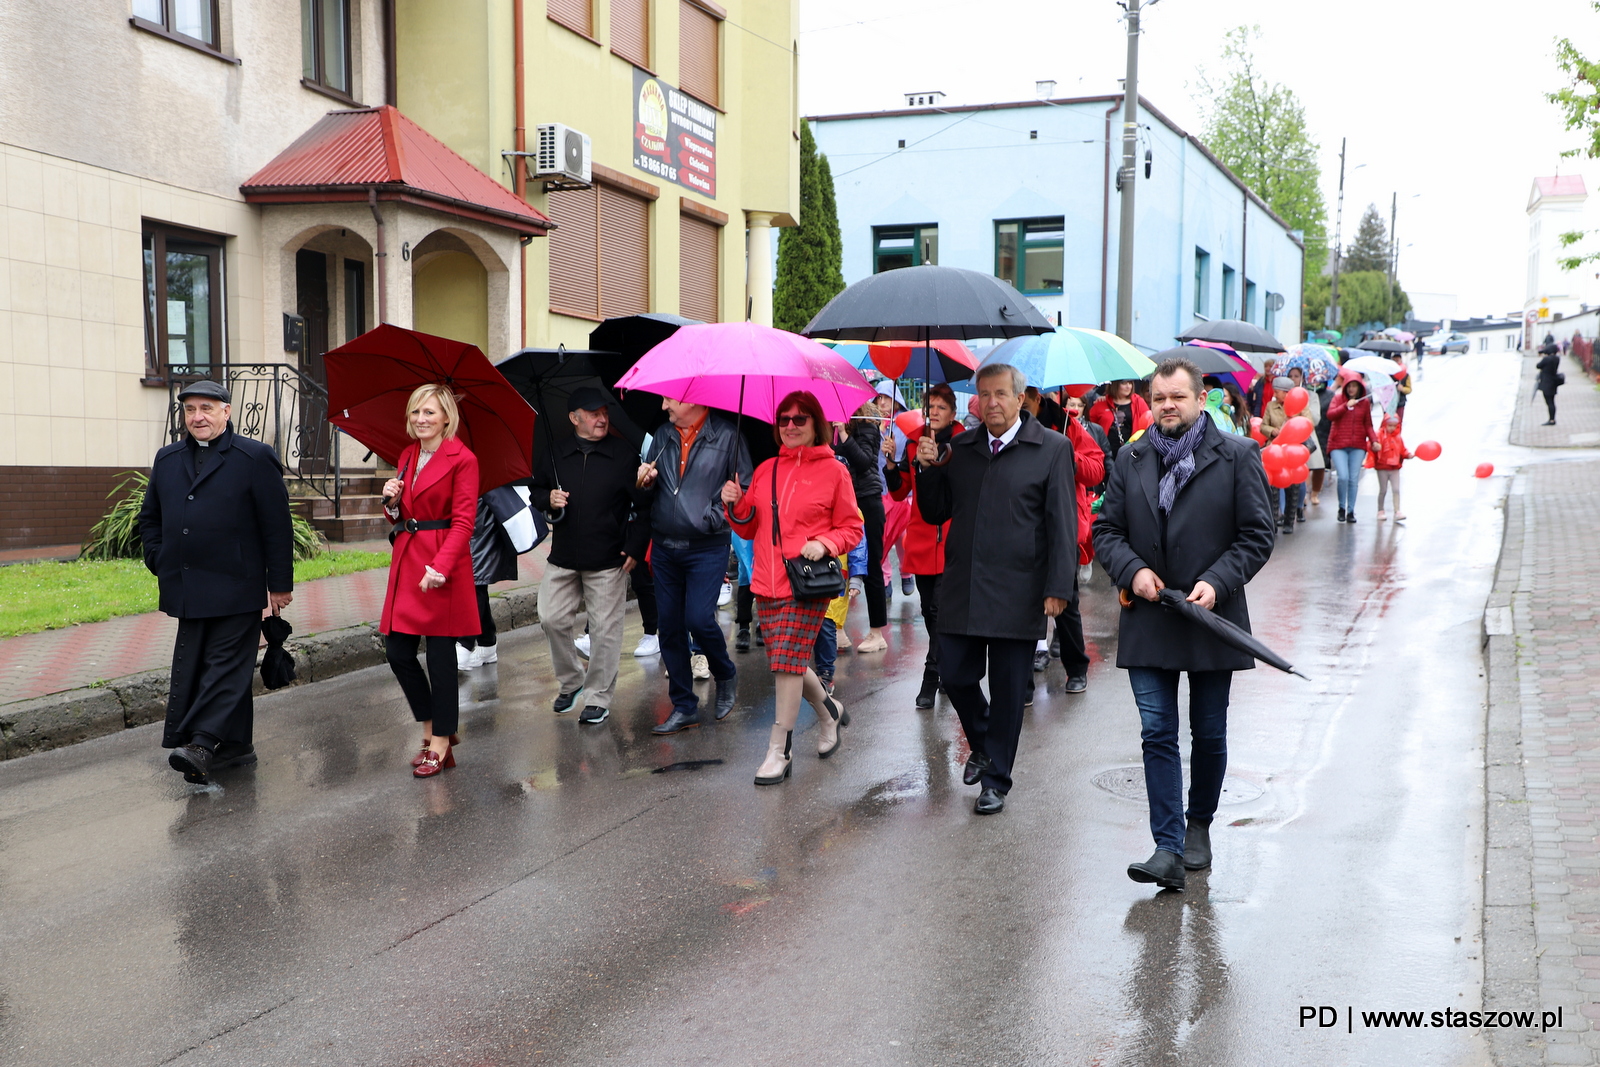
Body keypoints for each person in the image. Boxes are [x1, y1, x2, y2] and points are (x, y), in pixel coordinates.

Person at [1092, 356, 1275, 891]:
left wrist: (1217, 582)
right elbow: (1107, 531)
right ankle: (1167, 847)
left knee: (1209, 730)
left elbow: (1257, 536)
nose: (1166, 406)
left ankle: (1199, 826)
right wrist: (1134, 571)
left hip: (1210, 617)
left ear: (1199, 399)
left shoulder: (1238, 454)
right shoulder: (1132, 457)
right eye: (1158, 398)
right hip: (1150, 615)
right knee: (1156, 731)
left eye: (1176, 397)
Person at [914, 364, 1077, 815]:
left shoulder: (1051, 448)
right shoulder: (960, 448)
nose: (992, 403)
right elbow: (935, 512)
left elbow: (1062, 524)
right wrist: (926, 469)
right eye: (984, 395)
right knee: (957, 674)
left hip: (1020, 588)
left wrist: (1058, 587)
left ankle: (996, 780)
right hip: (964, 584)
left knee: (1008, 690)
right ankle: (984, 743)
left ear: (1020, 398)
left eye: (1001, 394)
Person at [139, 380, 294, 784]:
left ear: (227, 411)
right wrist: (158, 557)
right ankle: (238, 746)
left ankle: (202, 744)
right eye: (190, 410)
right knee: (198, 662)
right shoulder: (168, 458)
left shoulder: (254, 457)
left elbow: (277, 526)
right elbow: (149, 517)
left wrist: (279, 584)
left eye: (207, 408)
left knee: (224, 666)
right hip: (187, 587)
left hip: (237, 585)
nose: (198, 417)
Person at [723, 391, 861, 784]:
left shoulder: (835, 470)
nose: (791, 425)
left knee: (785, 662)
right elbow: (749, 527)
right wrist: (735, 504)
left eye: (800, 419)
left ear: (817, 424)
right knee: (790, 660)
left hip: (806, 582)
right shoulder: (766, 469)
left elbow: (852, 527)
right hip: (766, 582)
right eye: (784, 419)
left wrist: (826, 543)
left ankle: (778, 749)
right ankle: (828, 710)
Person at [529, 387, 650, 725]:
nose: (602, 418)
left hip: (609, 558)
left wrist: (635, 547)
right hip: (563, 556)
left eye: (605, 413)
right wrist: (547, 498)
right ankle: (572, 681)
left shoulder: (623, 455)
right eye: (594, 413)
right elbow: (536, 491)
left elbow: (644, 506)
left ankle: (597, 697)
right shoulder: (556, 453)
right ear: (574, 418)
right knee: (551, 618)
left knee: (604, 630)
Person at [379, 384, 479, 778]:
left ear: (446, 418)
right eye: (416, 412)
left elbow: (463, 521)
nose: (421, 419)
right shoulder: (407, 454)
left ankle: (439, 742)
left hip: (442, 564)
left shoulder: (463, 459)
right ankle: (432, 727)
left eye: (430, 413)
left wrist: (441, 565)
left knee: (440, 660)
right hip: (407, 558)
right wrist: (390, 501)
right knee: (397, 652)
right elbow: (403, 511)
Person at [638, 394, 751, 734]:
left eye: (669, 399)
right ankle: (684, 705)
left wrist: (713, 516)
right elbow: (649, 491)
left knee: (699, 618)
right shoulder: (662, 435)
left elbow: (744, 486)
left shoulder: (729, 437)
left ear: (694, 400)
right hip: (664, 545)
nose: (663, 406)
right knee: (669, 626)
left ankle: (725, 671)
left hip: (707, 546)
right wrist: (645, 481)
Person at [885, 383, 963, 708]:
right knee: (928, 610)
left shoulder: (963, 443)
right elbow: (900, 492)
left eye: (941, 407)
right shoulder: (914, 441)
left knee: (939, 610)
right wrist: (892, 463)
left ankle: (931, 677)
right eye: (930, 407)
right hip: (920, 538)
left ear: (953, 413)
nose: (934, 412)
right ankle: (947, 666)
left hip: (952, 538)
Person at [832, 399, 889, 653]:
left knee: (870, 566)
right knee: (839, 565)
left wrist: (844, 434)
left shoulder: (866, 427)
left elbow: (865, 462)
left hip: (866, 501)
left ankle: (877, 633)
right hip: (840, 502)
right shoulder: (828, 427)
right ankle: (837, 629)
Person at [456, 493, 518, 670]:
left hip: (481, 512)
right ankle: (487, 643)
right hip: (474, 511)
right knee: (474, 583)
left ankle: (466, 643)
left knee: (474, 583)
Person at [1326, 377, 1376, 523]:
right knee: (1343, 477)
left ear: (1360, 388)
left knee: (1353, 479)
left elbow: (1368, 424)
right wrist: (1345, 406)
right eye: (1349, 386)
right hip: (1338, 444)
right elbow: (1330, 415)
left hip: (1357, 445)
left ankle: (1350, 511)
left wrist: (1374, 440)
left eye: (1355, 386)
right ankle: (1341, 507)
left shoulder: (1364, 403)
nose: (1351, 389)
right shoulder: (1338, 399)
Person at [1088, 380, 1149, 457]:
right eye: (1124, 383)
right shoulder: (1101, 403)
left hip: (1132, 451)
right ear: (1115, 385)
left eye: (1130, 383)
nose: (1128, 386)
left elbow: (1148, 423)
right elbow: (1089, 427)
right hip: (1107, 453)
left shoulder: (1139, 402)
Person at [1369, 412, 1412, 521]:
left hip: (1395, 467)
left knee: (1396, 489)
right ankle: (1380, 510)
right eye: (1389, 425)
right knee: (1383, 490)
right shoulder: (1379, 435)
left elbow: (1403, 449)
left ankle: (1397, 511)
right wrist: (1375, 446)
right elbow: (1371, 444)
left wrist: (1408, 455)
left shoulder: (1398, 437)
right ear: (1384, 424)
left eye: (1394, 425)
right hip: (1382, 466)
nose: (1392, 428)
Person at [1537, 344, 1563, 425]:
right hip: (1553, 382)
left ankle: (1551, 420)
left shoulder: (1546, 359)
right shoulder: (1557, 358)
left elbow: (1538, 366)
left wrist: (1542, 356)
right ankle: (1552, 419)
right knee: (1552, 401)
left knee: (1549, 402)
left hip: (1546, 383)